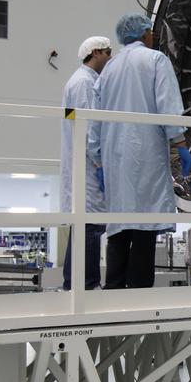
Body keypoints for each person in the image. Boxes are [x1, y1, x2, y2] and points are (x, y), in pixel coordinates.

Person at [88, 13, 191, 289]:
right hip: (144, 153)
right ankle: (138, 293)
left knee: (120, 228)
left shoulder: (107, 70)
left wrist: (98, 159)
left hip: (114, 157)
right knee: (145, 226)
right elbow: (168, 106)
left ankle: (113, 290)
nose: (153, 36)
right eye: (151, 31)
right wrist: (180, 144)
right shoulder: (155, 60)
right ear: (145, 34)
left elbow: (95, 120)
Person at [60, 36, 111, 290]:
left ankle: (76, 283)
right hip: (88, 167)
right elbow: (90, 128)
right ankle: (86, 284)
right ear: (96, 53)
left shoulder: (81, 81)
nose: (110, 58)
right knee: (89, 228)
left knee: (85, 227)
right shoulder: (84, 83)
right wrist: (100, 163)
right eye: (107, 53)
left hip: (83, 164)